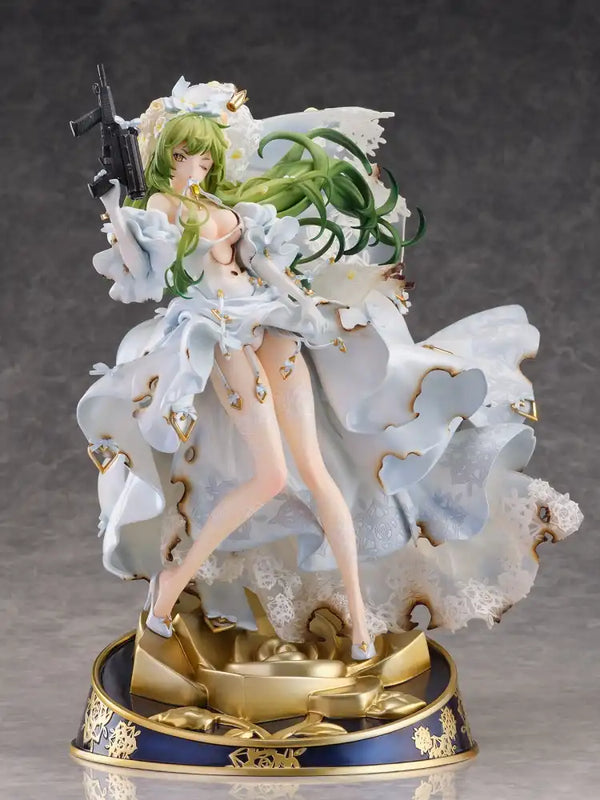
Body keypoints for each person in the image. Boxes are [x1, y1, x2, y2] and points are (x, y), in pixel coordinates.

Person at [77, 77, 583, 656]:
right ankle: (171, 586)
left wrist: (303, 300)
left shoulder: (220, 206)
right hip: (221, 333)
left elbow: (262, 263)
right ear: (168, 155)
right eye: (184, 156)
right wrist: (113, 204)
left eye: (205, 157)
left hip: (272, 322)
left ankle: (360, 621)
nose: (195, 166)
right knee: (270, 477)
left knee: (319, 475)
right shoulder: (161, 207)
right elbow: (140, 270)